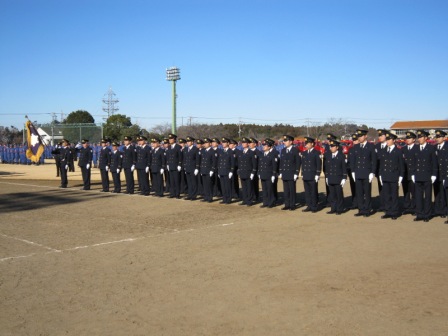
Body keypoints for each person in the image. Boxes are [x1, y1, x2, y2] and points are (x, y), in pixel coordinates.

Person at [411, 130, 437, 222]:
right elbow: (413, 162)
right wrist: (413, 173)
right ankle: (420, 214)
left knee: (427, 196)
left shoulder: (430, 148)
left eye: (421, 137)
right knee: (418, 196)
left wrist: (434, 174)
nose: (420, 139)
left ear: (426, 138)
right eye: (419, 137)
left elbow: (434, 162)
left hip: (427, 175)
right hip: (418, 175)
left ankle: (427, 214)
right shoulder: (416, 148)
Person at [350, 129, 377, 217]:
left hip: (366, 173)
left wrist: (372, 172)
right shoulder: (356, 147)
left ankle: (367, 209)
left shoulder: (370, 146)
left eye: (361, 136)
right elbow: (353, 161)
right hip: (358, 173)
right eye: (359, 136)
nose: (360, 138)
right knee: (359, 193)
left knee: (367, 192)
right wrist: (353, 171)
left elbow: (373, 160)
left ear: (365, 136)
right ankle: (361, 209)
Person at [378, 133, 404, 220]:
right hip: (385, 175)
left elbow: (401, 165)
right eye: (387, 139)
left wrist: (400, 176)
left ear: (393, 141)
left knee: (394, 195)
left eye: (389, 140)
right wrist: (380, 174)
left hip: (394, 176)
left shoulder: (398, 151)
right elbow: (381, 164)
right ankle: (388, 211)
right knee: (386, 195)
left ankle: (395, 212)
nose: (387, 141)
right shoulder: (384, 151)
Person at [323, 139, 346, 215]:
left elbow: (343, 168)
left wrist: (344, 178)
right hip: (330, 177)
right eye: (330, 146)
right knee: (332, 195)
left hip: (338, 178)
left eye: (333, 146)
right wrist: (326, 177)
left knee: (339, 195)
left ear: (337, 147)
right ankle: (333, 208)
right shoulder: (329, 156)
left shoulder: (341, 156)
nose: (331, 148)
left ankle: (340, 209)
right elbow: (327, 167)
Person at [279, 135, 300, 211]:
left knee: (292, 190)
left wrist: (296, 173)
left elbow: (298, 162)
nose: (284, 142)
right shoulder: (283, 150)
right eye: (284, 141)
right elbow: (281, 162)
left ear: (291, 141)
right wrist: (280, 171)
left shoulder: (295, 150)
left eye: (286, 140)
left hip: (291, 173)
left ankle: (292, 204)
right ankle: (287, 204)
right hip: (285, 172)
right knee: (286, 190)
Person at [301, 137, 322, 213]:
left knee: (313, 191)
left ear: (312, 144)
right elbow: (303, 164)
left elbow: (319, 164)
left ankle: (314, 206)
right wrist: (302, 173)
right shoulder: (304, 153)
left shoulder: (316, 153)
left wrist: (317, 174)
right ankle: (309, 205)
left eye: (307, 143)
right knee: (307, 192)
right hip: (306, 174)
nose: (305, 145)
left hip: (313, 175)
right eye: (305, 144)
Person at [236, 137, 258, 206]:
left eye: (244, 143)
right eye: (242, 143)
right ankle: (244, 199)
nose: (243, 144)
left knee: (249, 187)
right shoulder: (241, 152)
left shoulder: (251, 152)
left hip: (248, 172)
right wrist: (239, 171)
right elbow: (239, 163)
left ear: (248, 144)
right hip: (242, 172)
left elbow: (254, 164)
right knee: (244, 187)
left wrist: (253, 172)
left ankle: (249, 200)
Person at [258, 138, 279, 208]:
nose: (263, 146)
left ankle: (271, 202)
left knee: (270, 189)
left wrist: (273, 174)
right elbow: (260, 165)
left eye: (265, 145)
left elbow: (274, 166)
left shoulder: (272, 155)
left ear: (269, 147)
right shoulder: (262, 155)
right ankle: (265, 202)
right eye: (263, 145)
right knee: (264, 189)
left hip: (269, 175)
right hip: (263, 174)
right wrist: (259, 173)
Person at [402, 131, 418, 215]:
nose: (407, 140)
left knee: (414, 192)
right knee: (406, 192)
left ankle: (414, 207)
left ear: (414, 139)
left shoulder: (417, 148)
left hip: (413, 174)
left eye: (409, 138)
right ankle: (407, 207)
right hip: (405, 174)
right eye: (406, 138)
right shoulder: (403, 149)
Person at [217, 138, 235, 204]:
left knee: (227, 186)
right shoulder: (221, 151)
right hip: (221, 170)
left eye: (225, 142)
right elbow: (219, 162)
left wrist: (231, 171)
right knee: (223, 186)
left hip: (227, 171)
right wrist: (219, 171)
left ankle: (228, 199)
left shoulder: (230, 152)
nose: (223, 144)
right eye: (222, 142)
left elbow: (232, 162)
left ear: (228, 143)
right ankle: (224, 198)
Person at [434, 130, 448, 218]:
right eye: (437, 137)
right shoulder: (434, 148)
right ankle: (439, 209)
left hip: (445, 173)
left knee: (445, 193)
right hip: (437, 174)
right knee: (437, 192)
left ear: (443, 137)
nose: (437, 139)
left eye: (439, 137)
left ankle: (445, 210)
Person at [183, 136, 201, 200]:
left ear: (192, 142)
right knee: (189, 182)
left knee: (194, 182)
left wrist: (197, 168)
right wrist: (184, 167)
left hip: (193, 168)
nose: (188, 142)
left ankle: (194, 195)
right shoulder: (185, 149)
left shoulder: (195, 149)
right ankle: (190, 194)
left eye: (189, 141)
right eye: (187, 141)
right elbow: (184, 159)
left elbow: (197, 159)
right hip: (187, 168)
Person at [166, 133, 183, 199]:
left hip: (176, 166)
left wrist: (179, 164)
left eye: (171, 139)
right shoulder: (169, 147)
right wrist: (167, 164)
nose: (170, 140)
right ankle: (172, 193)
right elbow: (168, 157)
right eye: (169, 139)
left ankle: (177, 194)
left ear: (174, 139)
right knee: (171, 181)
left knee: (176, 180)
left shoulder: (178, 147)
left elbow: (180, 157)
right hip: (170, 165)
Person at [347, 133, 359, 210]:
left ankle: (361, 203)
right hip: (352, 172)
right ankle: (354, 203)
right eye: (353, 140)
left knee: (361, 189)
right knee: (353, 188)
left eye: (356, 140)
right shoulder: (351, 150)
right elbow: (349, 162)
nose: (354, 142)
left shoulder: (362, 149)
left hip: (359, 172)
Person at [249, 137, 261, 202]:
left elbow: (259, 162)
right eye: (249, 143)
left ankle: (256, 196)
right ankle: (251, 196)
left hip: (256, 171)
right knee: (250, 185)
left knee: (255, 184)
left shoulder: (258, 152)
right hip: (249, 171)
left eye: (251, 143)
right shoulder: (248, 152)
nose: (250, 144)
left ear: (255, 144)